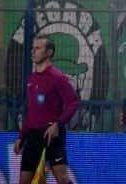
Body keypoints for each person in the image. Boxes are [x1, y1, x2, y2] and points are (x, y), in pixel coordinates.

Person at [16, 36, 79, 184]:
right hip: (33, 136)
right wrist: (21, 136)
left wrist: (58, 124)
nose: (33, 52)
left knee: (62, 178)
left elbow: (73, 102)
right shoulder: (32, 78)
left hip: (52, 135)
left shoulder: (58, 77)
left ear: (49, 52)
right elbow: (31, 111)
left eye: (37, 48)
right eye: (32, 48)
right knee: (24, 180)